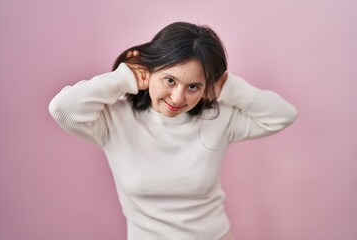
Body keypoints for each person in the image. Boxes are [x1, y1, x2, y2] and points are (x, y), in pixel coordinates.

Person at [49, 21, 297, 240]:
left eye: (193, 86)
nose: (178, 97)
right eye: (170, 80)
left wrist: (229, 87)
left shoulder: (218, 118)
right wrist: (123, 77)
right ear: (149, 70)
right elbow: (62, 108)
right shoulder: (114, 120)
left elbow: (283, 115)